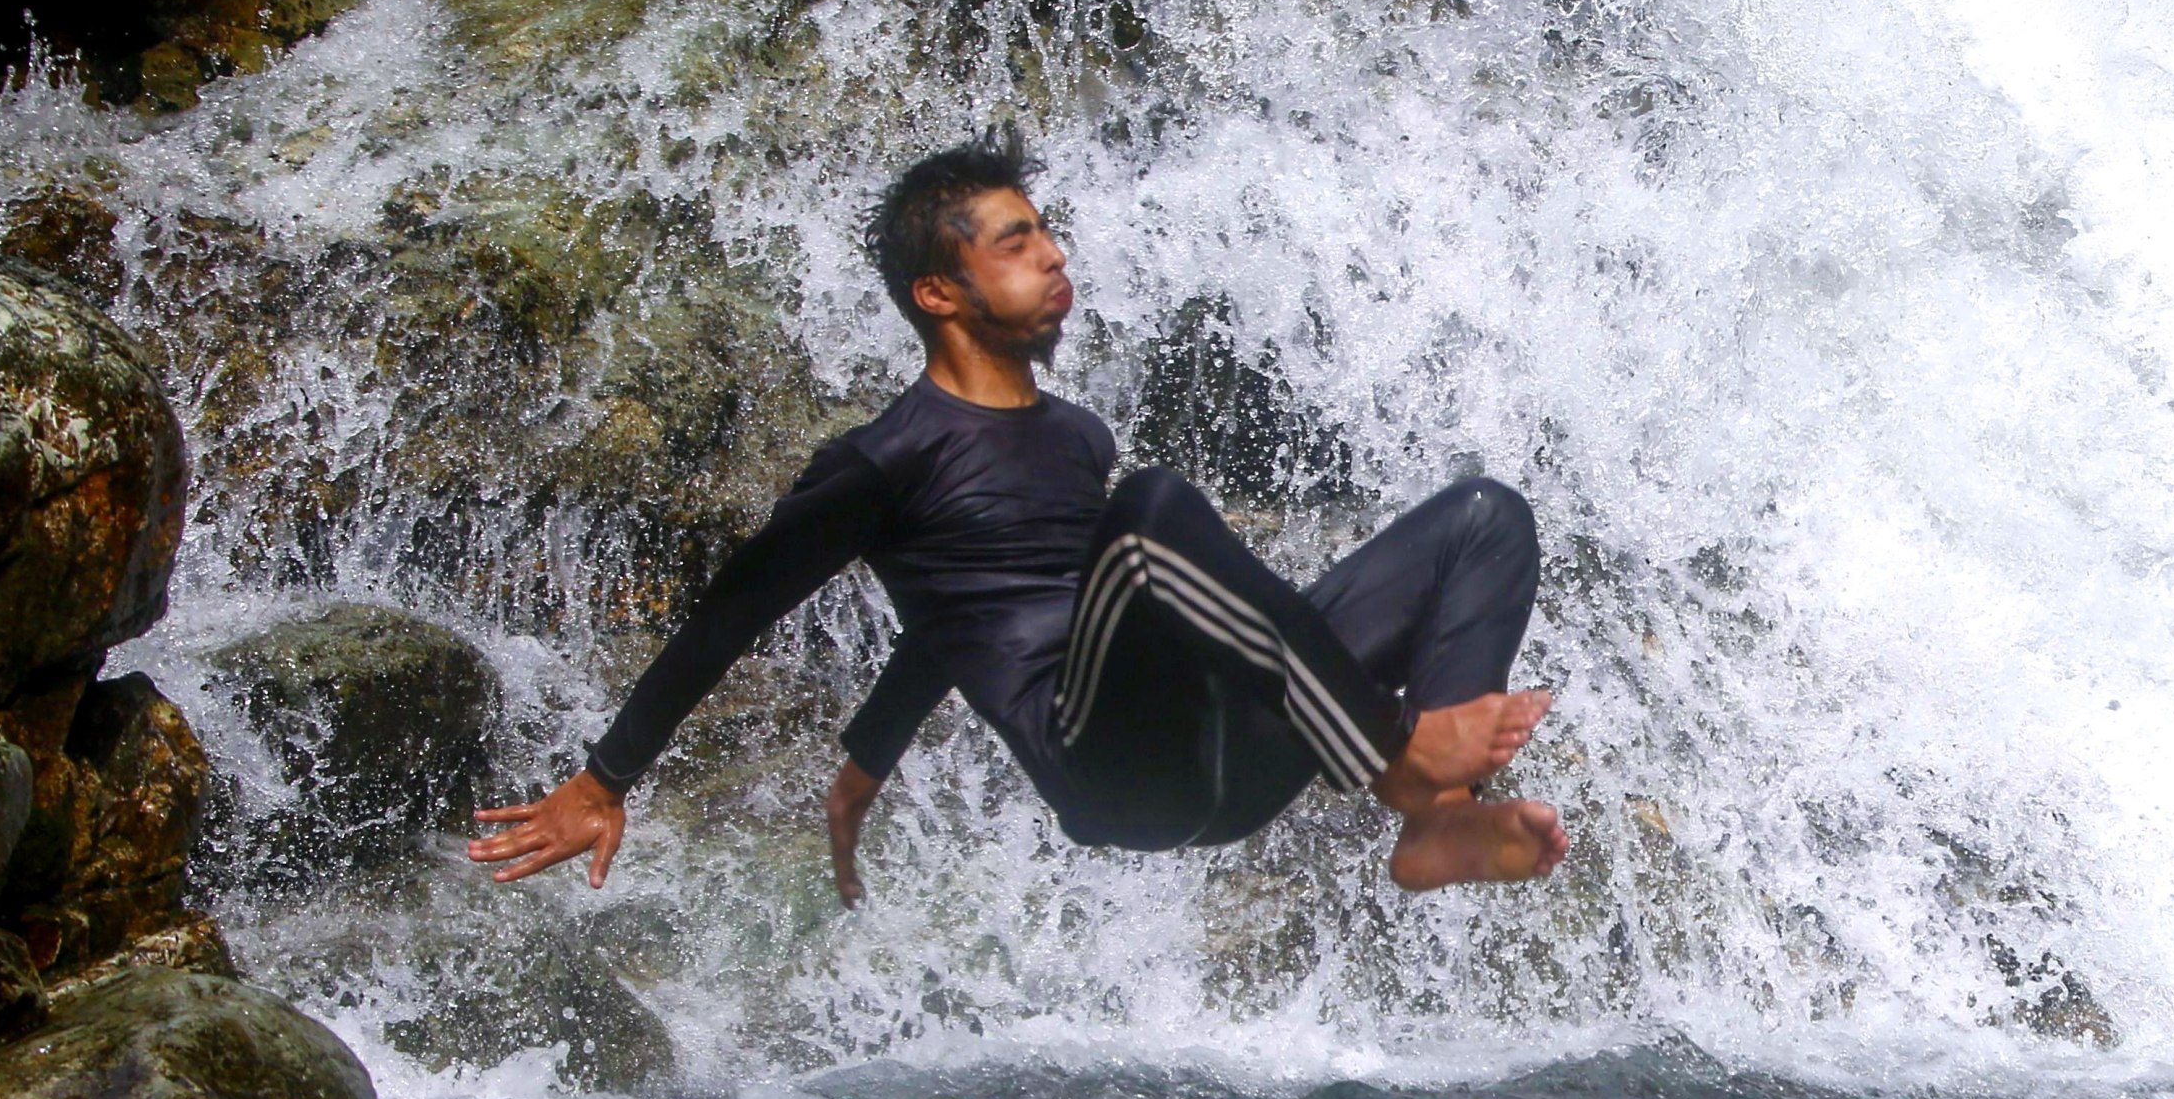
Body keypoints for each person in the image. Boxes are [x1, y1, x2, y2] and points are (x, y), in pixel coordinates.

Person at [468, 138, 1567, 901]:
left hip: (1225, 742)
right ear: (938, 294)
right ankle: (1399, 758)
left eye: (1045, 232)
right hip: (1106, 761)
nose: (1051, 255)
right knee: (1152, 513)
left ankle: (1439, 816)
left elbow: (956, 613)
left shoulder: (1076, 434)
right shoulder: (881, 459)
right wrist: (605, 778)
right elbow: (732, 610)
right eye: (1011, 241)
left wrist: (866, 761)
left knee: (1484, 514)